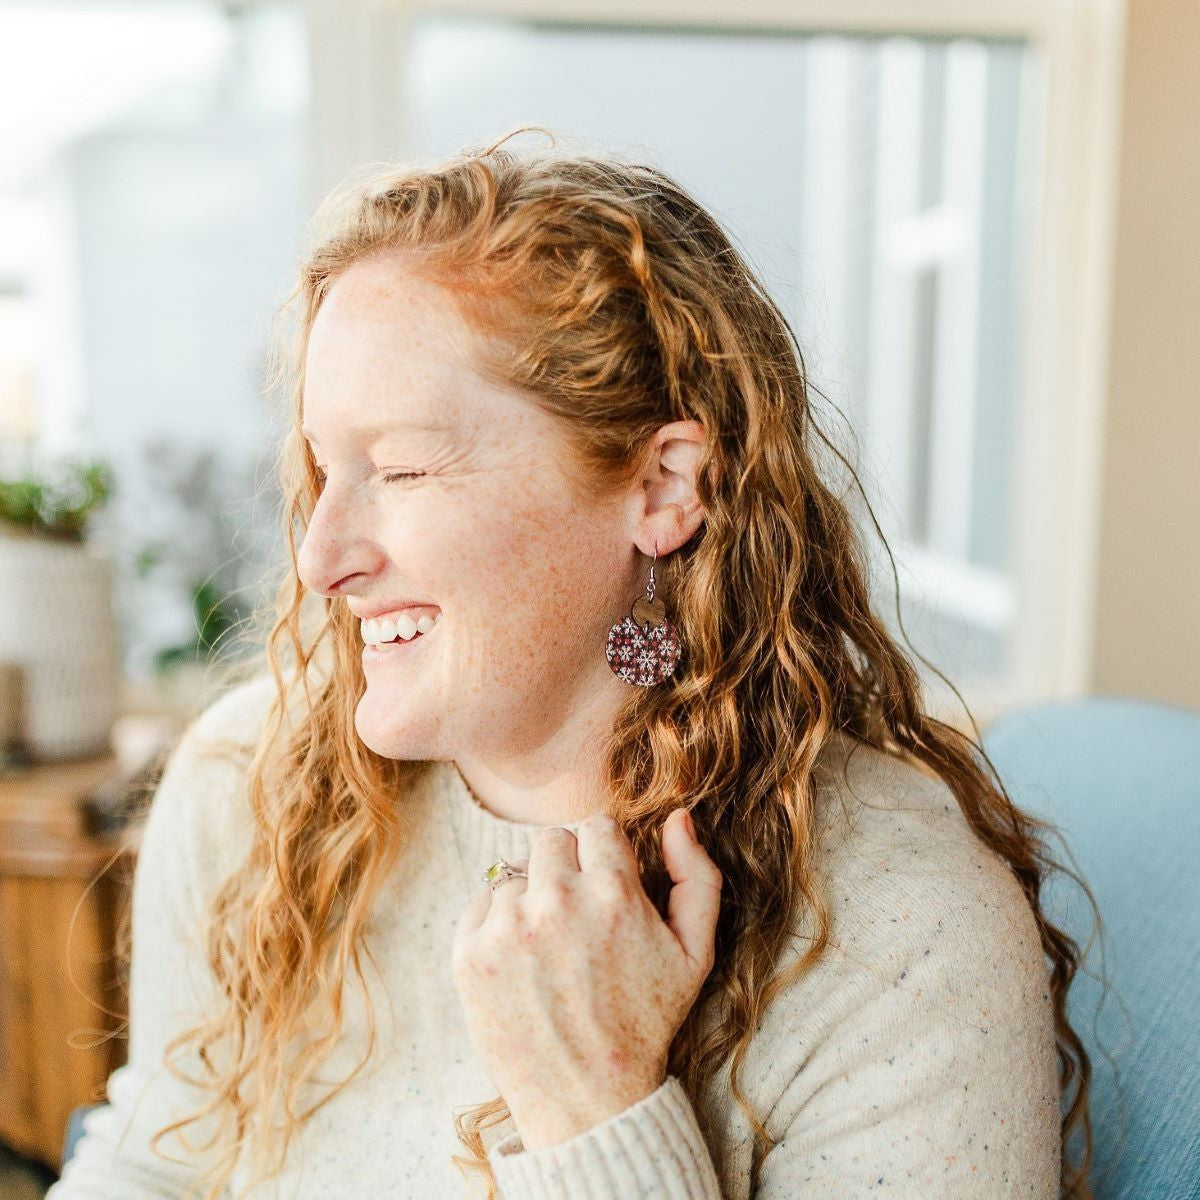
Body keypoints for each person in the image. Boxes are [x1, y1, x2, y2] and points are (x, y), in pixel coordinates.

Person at [48, 127, 1096, 1200]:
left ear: (662, 488)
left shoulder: (903, 937)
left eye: (402, 469)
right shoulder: (250, 786)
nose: (320, 559)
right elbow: (151, 1165)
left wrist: (597, 1110)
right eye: (323, 469)